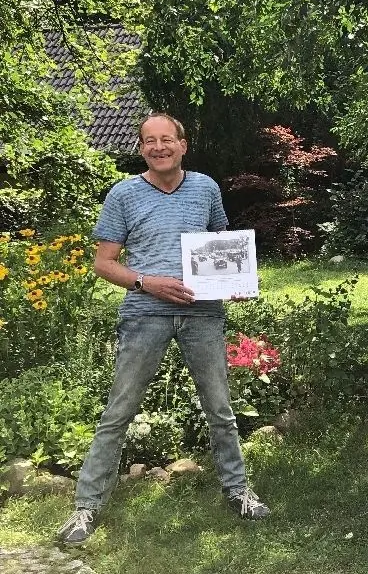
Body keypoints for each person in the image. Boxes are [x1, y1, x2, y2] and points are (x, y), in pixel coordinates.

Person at [56, 113, 270, 547]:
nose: (159, 147)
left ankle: (238, 492)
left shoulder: (207, 187)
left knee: (220, 410)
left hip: (203, 314)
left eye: (167, 139)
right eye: (150, 141)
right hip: (144, 313)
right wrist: (146, 282)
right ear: (141, 149)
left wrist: (234, 282)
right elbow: (104, 262)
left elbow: (221, 245)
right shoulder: (123, 194)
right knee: (118, 413)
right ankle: (86, 507)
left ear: (182, 145)